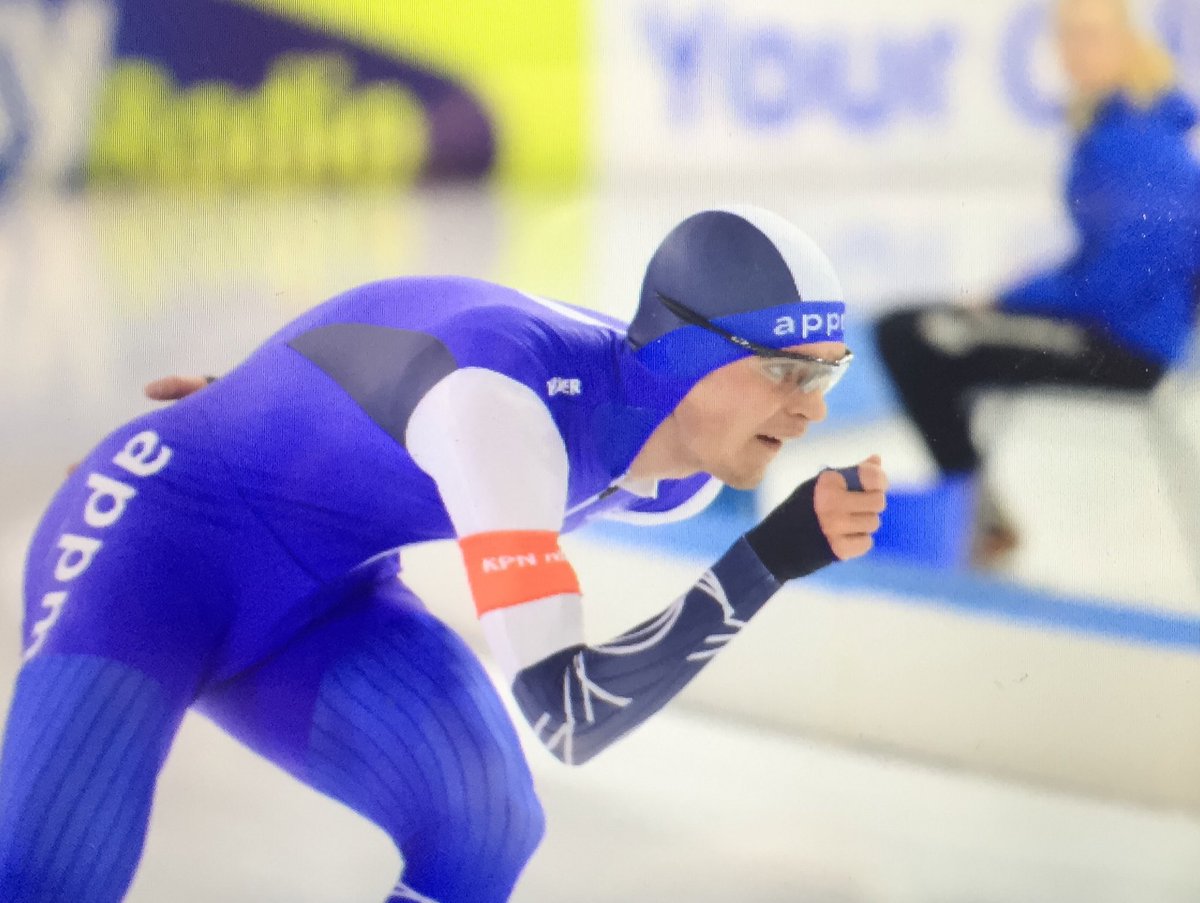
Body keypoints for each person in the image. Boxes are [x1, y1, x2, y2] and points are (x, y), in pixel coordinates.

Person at [0, 206, 886, 903]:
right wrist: (768, 555)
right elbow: (569, 715)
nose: (810, 411)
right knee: (49, 881)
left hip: (327, 596)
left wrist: (260, 400)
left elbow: (392, 346)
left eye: (827, 372)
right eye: (784, 369)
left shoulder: (677, 470)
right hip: (151, 555)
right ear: (692, 352)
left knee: (485, 824)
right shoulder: (507, 409)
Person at [875, 0, 1200, 564]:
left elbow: (1116, 284)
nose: (1075, 51)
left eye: (1091, 36)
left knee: (914, 335)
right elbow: (1106, 262)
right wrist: (1024, 290)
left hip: (1123, 347)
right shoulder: (1118, 127)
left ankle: (978, 519)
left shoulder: (1140, 142)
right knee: (915, 332)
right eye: (1066, 36)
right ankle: (976, 513)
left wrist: (1009, 299)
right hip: (1119, 333)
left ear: (1128, 42)